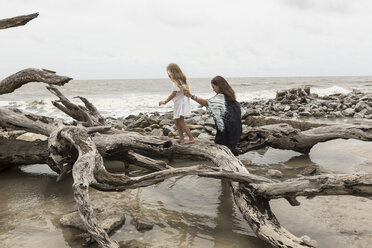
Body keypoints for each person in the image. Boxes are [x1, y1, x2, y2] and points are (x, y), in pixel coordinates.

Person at [184, 76, 245, 154]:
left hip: (226, 133)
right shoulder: (231, 97)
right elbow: (242, 112)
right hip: (237, 131)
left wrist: (191, 96)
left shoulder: (220, 97)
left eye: (213, 87)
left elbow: (207, 102)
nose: (213, 89)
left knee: (221, 147)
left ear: (218, 86)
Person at [159, 63, 195, 144]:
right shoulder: (181, 81)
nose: (168, 75)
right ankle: (181, 138)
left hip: (180, 104)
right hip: (181, 102)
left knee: (180, 121)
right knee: (176, 120)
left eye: (168, 72)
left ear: (171, 72)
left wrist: (164, 102)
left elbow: (173, 94)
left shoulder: (175, 82)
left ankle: (191, 138)